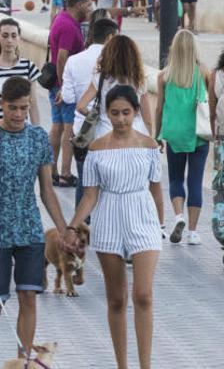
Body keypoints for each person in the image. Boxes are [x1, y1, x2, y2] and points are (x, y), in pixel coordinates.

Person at [0, 76, 69, 369]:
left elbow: (47, 190)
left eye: (24, 108)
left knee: (28, 295)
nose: (18, 115)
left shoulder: (38, 138)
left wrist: (62, 229)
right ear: (2, 105)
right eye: (13, 108)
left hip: (29, 229)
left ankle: (24, 361)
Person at [64, 86, 164, 369]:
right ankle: (122, 365)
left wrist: (161, 225)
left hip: (142, 216)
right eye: (115, 113)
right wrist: (71, 227)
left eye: (126, 113)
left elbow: (156, 190)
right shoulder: (97, 147)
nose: (121, 119)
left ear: (135, 112)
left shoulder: (149, 145)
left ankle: (146, 365)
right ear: (107, 113)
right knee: (117, 299)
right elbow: (90, 195)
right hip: (108, 217)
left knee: (143, 295)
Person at [154, 30, 209, 245]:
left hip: (174, 134)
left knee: (176, 178)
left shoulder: (164, 76)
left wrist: (157, 134)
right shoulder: (204, 73)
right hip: (198, 134)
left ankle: (178, 217)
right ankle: (193, 232)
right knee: (195, 181)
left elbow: (158, 108)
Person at [62, 18, 119, 205]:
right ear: (110, 37)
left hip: (83, 132)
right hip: (109, 132)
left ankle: (80, 230)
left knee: (85, 184)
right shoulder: (115, 63)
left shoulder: (73, 61)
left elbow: (69, 98)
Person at [47, 0, 92, 187]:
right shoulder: (67, 26)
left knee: (57, 127)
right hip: (63, 86)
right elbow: (62, 58)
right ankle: (65, 172)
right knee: (68, 129)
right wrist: (64, 87)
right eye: (88, 4)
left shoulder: (62, 19)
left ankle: (51, 170)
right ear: (79, 4)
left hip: (58, 85)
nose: (90, 9)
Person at [76, 34, 153, 137]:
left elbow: (81, 107)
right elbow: (147, 119)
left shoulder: (100, 78)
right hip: (135, 134)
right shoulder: (138, 80)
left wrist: (96, 117)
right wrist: (150, 138)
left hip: (106, 133)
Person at [0, 18, 41, 126]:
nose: (9, 40)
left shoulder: (28, 67)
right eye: (5, 36)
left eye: (13, 36)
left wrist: (37, 134)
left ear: (19, 38)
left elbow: (33, 105)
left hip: (21, 132)